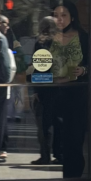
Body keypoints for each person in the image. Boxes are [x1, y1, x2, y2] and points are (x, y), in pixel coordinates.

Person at [51, 0, 89, 178]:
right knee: (57, 141)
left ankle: (74, 179)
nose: (59, 19)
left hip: (76, 95)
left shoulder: (83, 37)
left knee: (74, 141)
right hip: (53, 94)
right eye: (55, 16)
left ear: (72, 17)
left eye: (63, 15)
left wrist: (83, 70)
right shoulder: (50, 38)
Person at [28, 14, 59, 166]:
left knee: (43, 124)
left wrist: (36, 89)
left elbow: (40, 68)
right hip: (60, 86)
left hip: (45, 88)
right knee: (58, 123)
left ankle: (45, 155)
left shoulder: (41, 42)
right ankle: (60, 154)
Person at [0, 14, 16, 162]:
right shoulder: (0, 39)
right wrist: (5, 82)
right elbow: (6, 67)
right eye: (5, 23)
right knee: (0, 118)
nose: (7, 27)